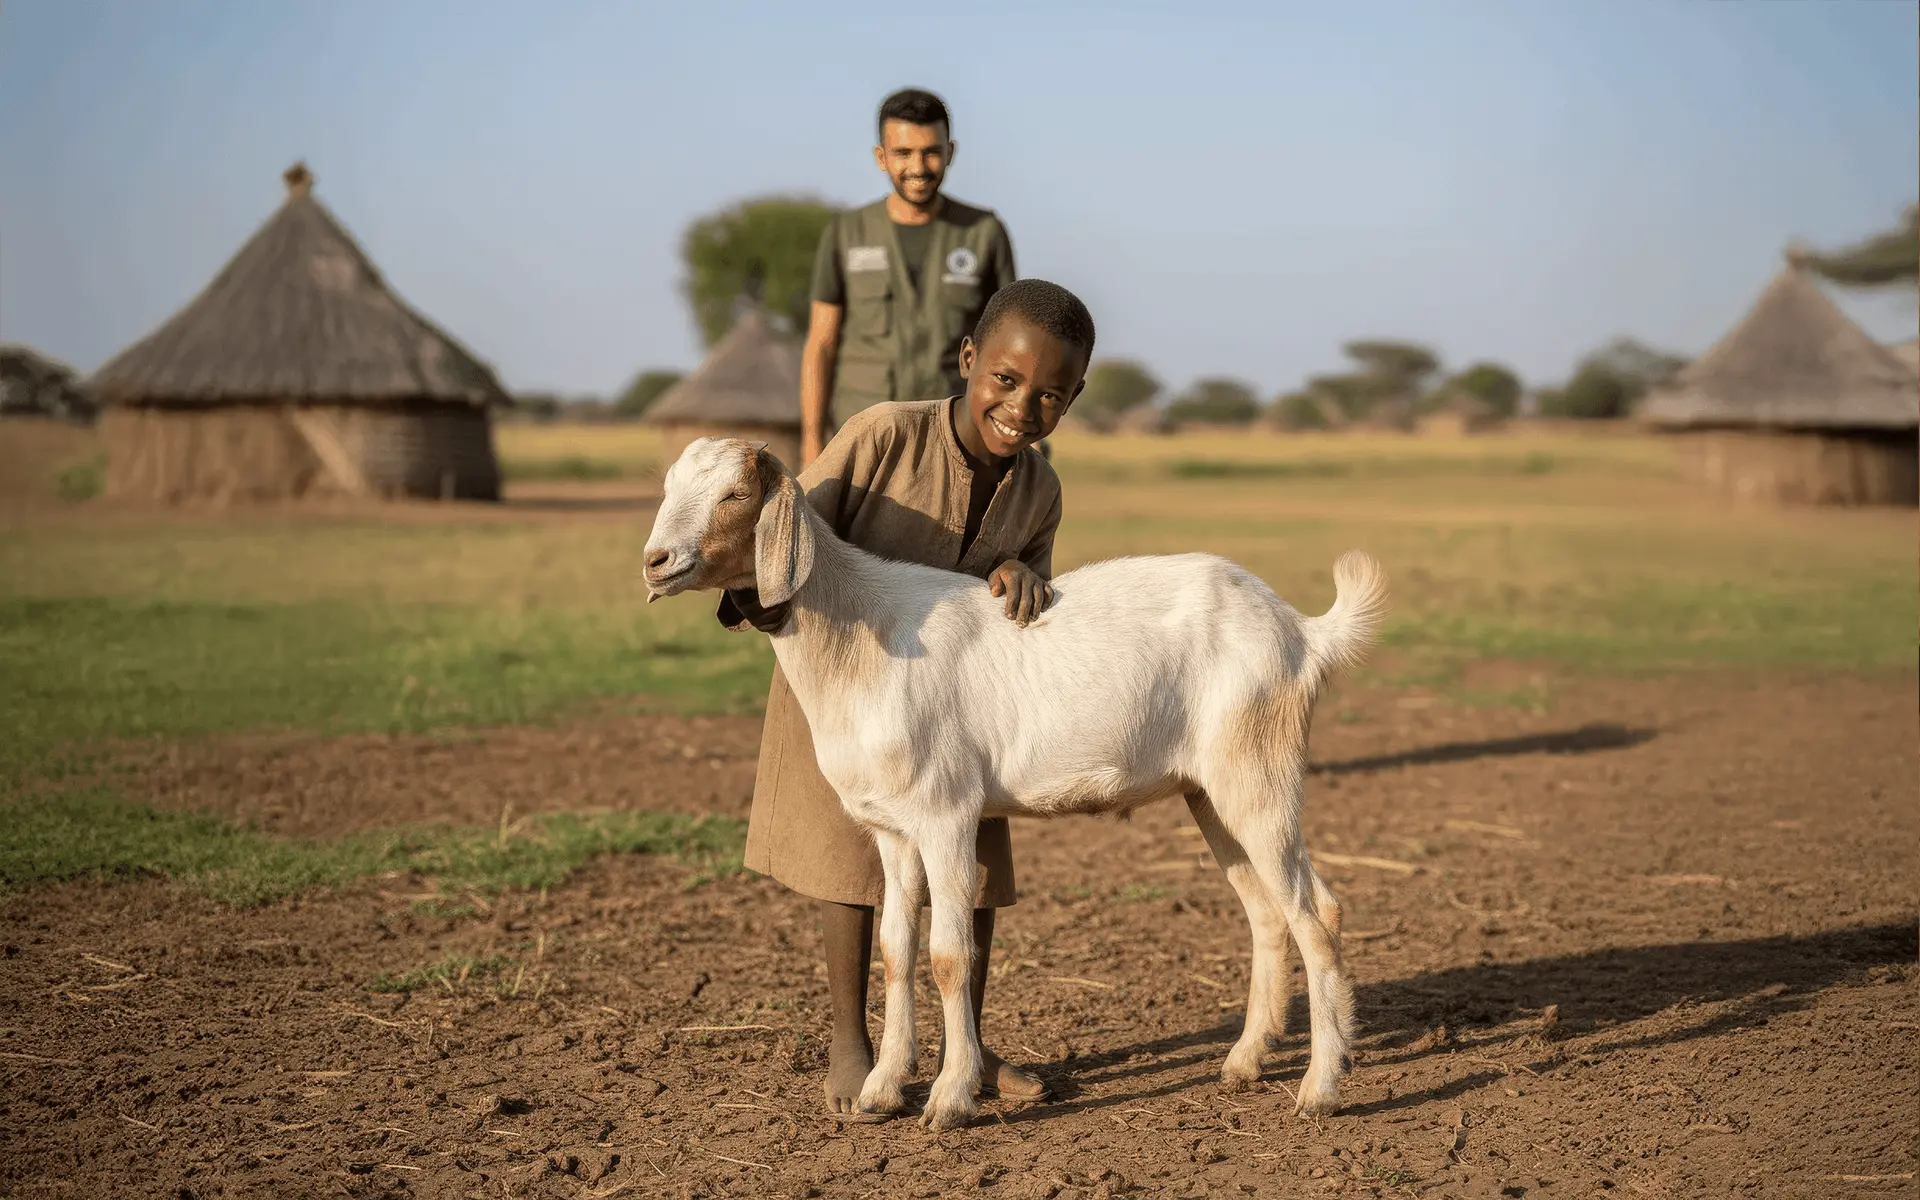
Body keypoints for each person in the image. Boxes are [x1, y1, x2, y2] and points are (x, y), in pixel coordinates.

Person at [721, 279, 1095, 1114]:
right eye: (1005, 380)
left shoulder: (1040, 490)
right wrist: (753, 596)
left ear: (1072, 400)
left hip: (960, 716)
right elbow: (785, 528)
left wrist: (1022, 575)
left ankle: (970, 1039)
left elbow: (1034, 585)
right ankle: (853, 1047)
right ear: (969, 360)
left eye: (1049, 395)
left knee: (974, 875)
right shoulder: (883, 436)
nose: (1021, 407)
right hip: (844, 689)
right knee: (852, 867)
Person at [799, 88, 1018, 469]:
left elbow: (1006, 346)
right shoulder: (847, 233)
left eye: (931, 152)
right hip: (859, 440)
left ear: (950, 152)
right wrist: (812, 442)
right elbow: (821, 344)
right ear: (881, 157)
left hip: (952, 440)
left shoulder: (984, 232)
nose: (918, 167)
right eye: (903, 153)